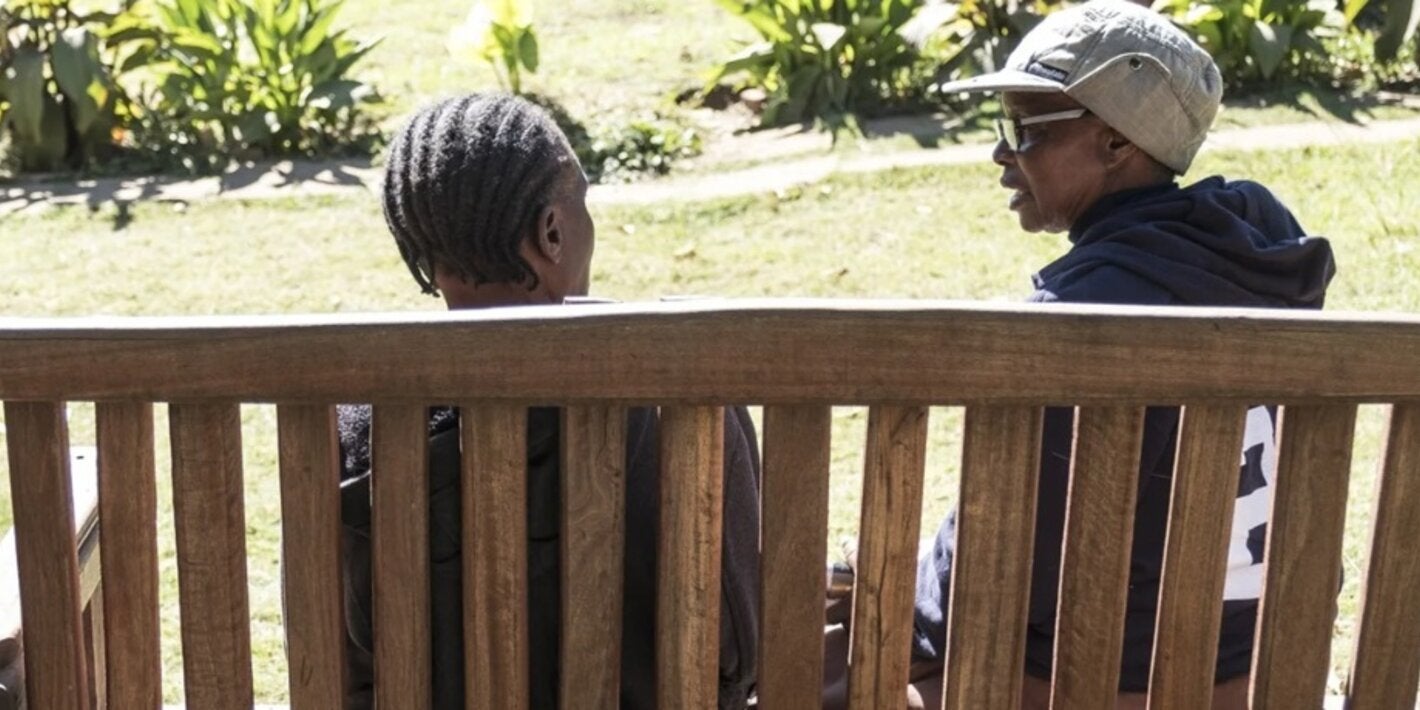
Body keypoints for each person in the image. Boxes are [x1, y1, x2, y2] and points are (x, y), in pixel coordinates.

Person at [827, 2, 1338, 708]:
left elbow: (994, 576)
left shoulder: (1082, 321)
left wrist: (886, 589)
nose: (1002, 155)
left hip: (1088, 684)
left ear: (1115, 146)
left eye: (1025, 131)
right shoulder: (1262, 270)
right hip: (1256, 678)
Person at [336, 93, 762, 710]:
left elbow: (345, 663)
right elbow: (737, 657)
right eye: (581, 201)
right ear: (553, 232)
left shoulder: (357, 422)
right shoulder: (679, 390)